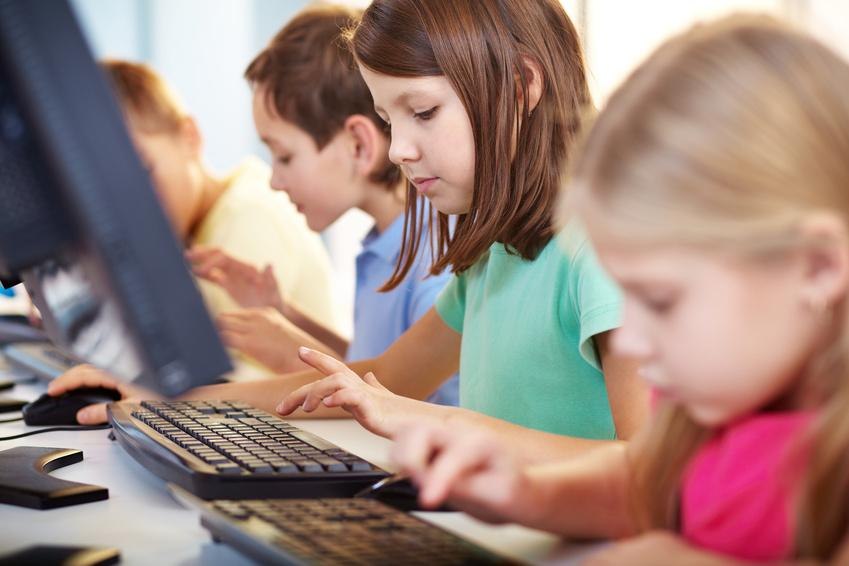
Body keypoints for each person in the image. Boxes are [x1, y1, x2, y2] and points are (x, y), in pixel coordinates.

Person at [51, 0, 645, 466]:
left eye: (424, 111)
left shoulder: (603, 247)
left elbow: (652, 469)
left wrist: (436, 424)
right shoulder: (495, 253)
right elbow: (376, 381)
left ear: (521, 86)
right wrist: (169, 405)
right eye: (389, 120)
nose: (400, 150)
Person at [388, 16, 849, 563]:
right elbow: (640, 483)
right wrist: (527, 493)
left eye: (661, 302)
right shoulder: (713, 406)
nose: (629, 342)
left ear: (817, 268)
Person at [185, 5, 458, 404]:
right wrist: (286, 316)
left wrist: (289, 353)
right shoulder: (384, 242)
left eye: (285, 156)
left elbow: (405, 400)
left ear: (359, 146)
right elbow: (384, 364)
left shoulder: (432, 255)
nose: (274, 180)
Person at [102, 60, 341, 377]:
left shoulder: (247, 218)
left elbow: (234, 381)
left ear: (190, 137)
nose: (136, 203)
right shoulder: (198, 227)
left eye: (145, 171)